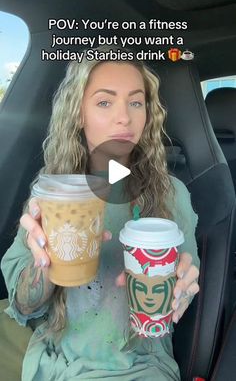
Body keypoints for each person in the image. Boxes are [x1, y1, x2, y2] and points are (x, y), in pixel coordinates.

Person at [0, 45, 200, 381]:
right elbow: (24, 305)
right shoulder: (52, 192)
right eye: (105, 102)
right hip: (51, 359)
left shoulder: (172, 194)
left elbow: (181, 287)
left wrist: (183, 287)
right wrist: (46, 262)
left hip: (136, 368)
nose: (124, 117)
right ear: (79, 113)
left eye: (136, 102)